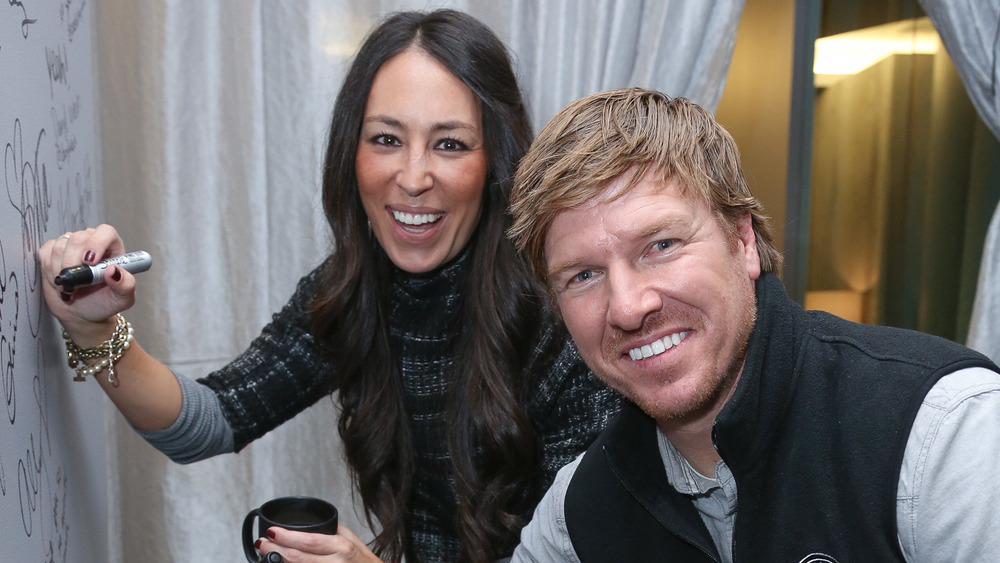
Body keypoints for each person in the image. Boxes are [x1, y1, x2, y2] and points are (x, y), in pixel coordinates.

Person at [39, 10, 619, 563]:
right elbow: (207, 422)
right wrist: (94, 325)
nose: (413, 178)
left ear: (496, 161)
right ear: (351, 153)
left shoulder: (562, 314)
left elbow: (581, 550)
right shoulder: (352, 290)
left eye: (449, 143)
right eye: (387, 139)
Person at [506, 88, 1000, 562]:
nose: (629, 307)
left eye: (661, 246)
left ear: (741, 239)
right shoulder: (577, 518)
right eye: (584, 275)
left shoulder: (944, 434)